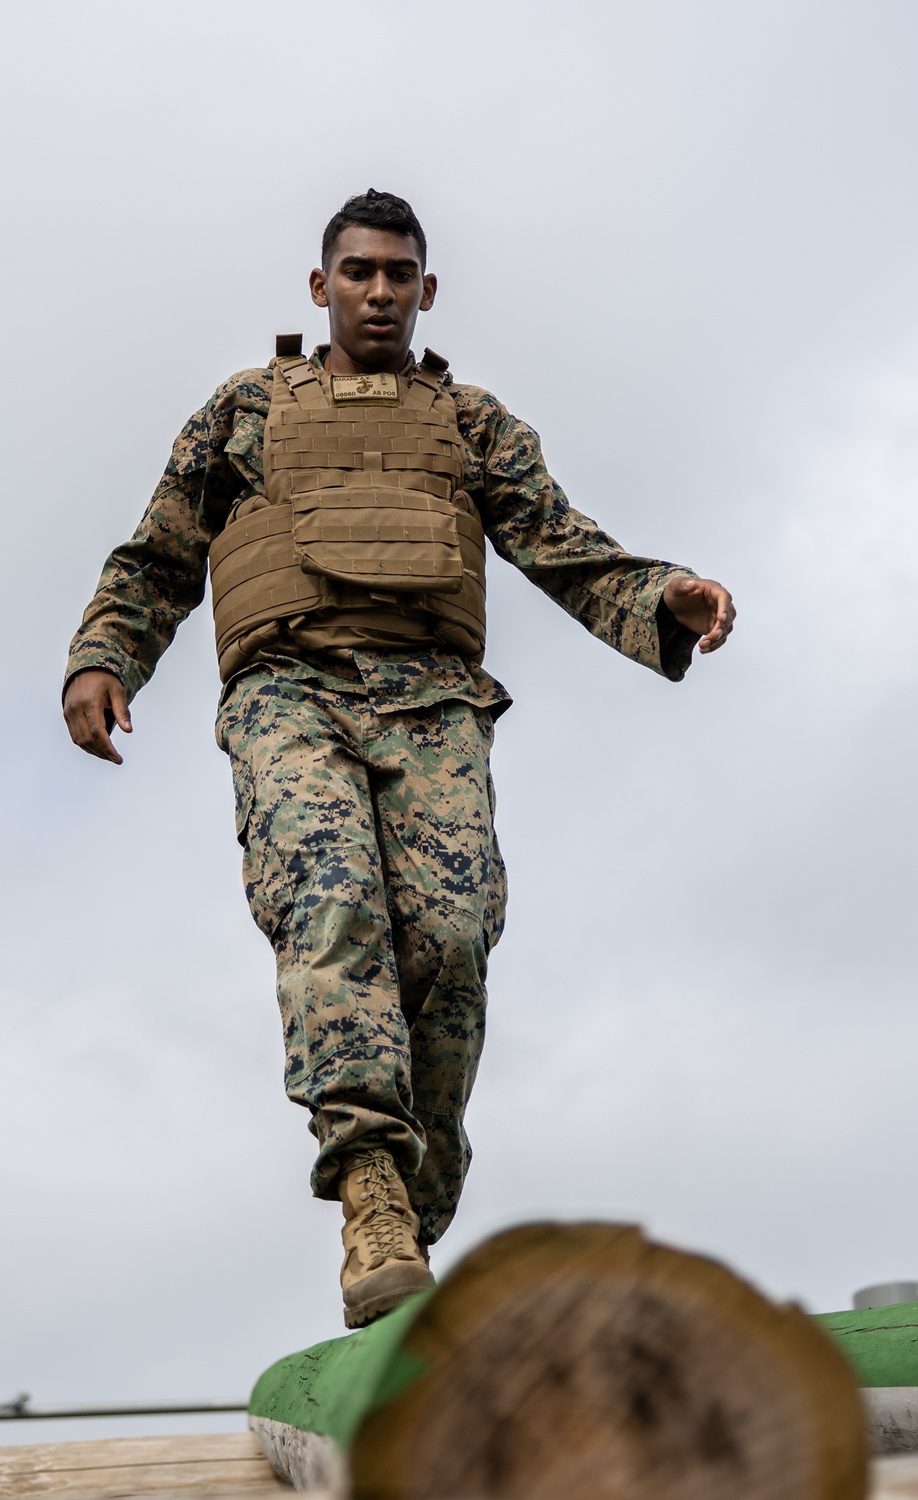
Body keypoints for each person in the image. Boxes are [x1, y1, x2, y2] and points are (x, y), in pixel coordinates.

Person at [63, 189, 736, 1328]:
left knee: (450, 942)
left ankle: (417, 1201)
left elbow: (560, 544)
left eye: (400, 275)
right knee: (333, 909)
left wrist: (660, 592)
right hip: (292, 691)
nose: (380, 292)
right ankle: (368, 1186)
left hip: (432, 702)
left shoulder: (471, 423)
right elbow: (158, 551)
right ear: (319, 287)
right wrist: (102, 655)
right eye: (360, 272)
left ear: (427, 292)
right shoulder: (244, 408)